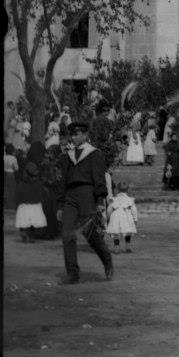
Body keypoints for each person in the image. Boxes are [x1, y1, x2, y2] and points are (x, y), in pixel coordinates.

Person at [57, 118, 113, 283]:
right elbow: (63, 182)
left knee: (91, 235)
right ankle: (72, 274)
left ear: (85, 135)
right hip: (70, 197)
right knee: (67, 234)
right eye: (71, 135)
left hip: (88, 195)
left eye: (77, 134)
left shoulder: (95, 154)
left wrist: (99, 201)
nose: (73, 138)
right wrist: (60, 205)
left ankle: (107, 260)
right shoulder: (67, 156)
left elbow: (99, 179)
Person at [15, 161, 48, 242]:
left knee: (23, 221)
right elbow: (43, 194)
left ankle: (24, 233)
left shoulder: (21, 184)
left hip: (24, 205)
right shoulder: (38, 184)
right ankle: (31, 236)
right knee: (33, 221)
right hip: (35, 205)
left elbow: (17, 195)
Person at [106, 182, 138, 253]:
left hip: (116, 216)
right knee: (128, 232)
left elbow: (109, 210)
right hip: (127, 217)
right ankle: (128, 247)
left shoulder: (114, 199)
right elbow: (134, 210)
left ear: (117, 190)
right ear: (128, 190)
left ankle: (116, 248)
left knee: (116, 233)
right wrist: (135, 219)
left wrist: (108, 218)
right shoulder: (130, 200)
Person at [4, 143, 19, 210]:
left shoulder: (4, 157)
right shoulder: (13, 158)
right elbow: (16, 168)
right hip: (11, 175)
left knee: (5, 190)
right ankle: (10, 206)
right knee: (11, 191)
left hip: (4, 173)